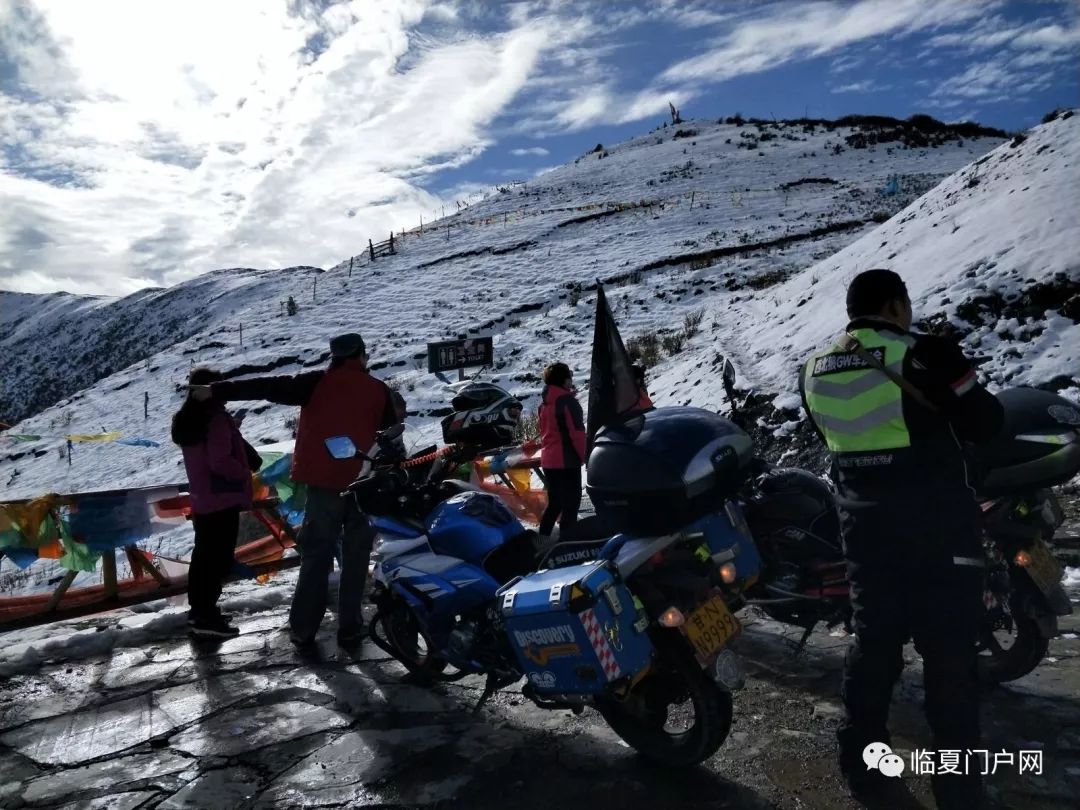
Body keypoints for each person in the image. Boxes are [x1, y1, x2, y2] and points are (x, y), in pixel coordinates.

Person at [799, 269, 1003, 808]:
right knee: (949, 660)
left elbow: (832, 440)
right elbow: (987, 422)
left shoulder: (814, 369)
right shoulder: (928, 354)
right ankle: (958, 789)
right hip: (938, 528)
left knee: (875, 649)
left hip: (865, 531)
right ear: (895, 306)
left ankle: (864, 767)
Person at [190, 333, 398, 655]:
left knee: (315, 558)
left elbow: (266, 386)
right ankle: (351, 628)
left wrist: (217, 391)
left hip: (324, 488)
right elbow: (392, 436)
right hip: (365, 486)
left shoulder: (315, 383)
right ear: (359, 356)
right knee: (356, 560)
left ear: (334, 357)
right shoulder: (379, 390)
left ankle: (303, 630)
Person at [172, 368, 261, 638]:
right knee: (217, 559)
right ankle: (206, 617)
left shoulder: (188, 419)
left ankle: (199, 612)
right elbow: (220, 460)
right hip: (223, 496)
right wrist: (243, 473)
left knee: (204, 557)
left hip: (203, 497)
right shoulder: (215, 419)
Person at [537, 362, 586, 541]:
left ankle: (542, 539)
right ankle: (568, 542)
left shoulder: (544, 404)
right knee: (571, 504)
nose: (571, 380)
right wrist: (584, 456)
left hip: (548, 461)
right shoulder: (568, 402)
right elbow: (577, 434)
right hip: (566, 460)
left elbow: (543, 432)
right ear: (564, 380)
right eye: (569, 377)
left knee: (555, 503)